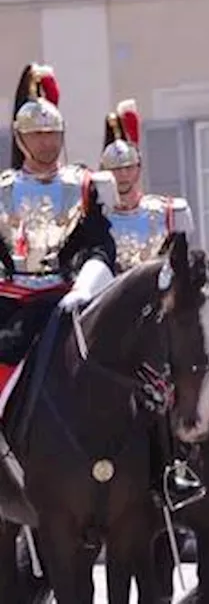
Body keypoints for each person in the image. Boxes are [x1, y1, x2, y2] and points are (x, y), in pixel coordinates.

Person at [0, 63, 118, 522]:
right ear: (21, 138)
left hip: (69, 303)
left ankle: (166, 475)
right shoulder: (4, 191)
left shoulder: (83, 186)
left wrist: (86, 281)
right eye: (39, 134)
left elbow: (101, 245)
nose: (48, 143)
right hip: (12, 307)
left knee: (148, 373)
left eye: (54, 134)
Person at [99, 98, 206, 511]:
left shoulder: (166, 212)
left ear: (139, 169)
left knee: (179, 385)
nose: (122, 176)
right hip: (111, 322)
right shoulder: (95, 216)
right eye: (114, 170)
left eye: (128, 168)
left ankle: (176, 468)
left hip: (160, 324)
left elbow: (183, 267)